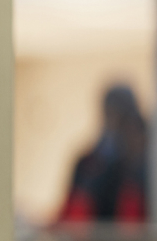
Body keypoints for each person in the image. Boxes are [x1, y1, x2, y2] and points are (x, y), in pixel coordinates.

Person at [58, 84, 148, 227]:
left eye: (121, 114)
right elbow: (70, 215)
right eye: (110, 112)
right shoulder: (87, 163)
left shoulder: (146, 166)